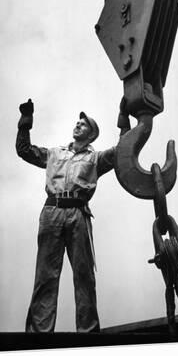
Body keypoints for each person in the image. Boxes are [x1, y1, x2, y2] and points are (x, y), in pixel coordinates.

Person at [16, 98, 130, 333]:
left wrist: (123, 119)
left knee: (84, 274)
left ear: (92, 134)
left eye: (84, 124)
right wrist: (25, 122)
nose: (78, 125)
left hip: (78, 214)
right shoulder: (55, 153)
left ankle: (88, 332)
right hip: (52, 212)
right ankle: (39, 334)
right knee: (45, 275)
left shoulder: (96, 158)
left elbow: (123, 151)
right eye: (77, 122)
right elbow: (24, 151)